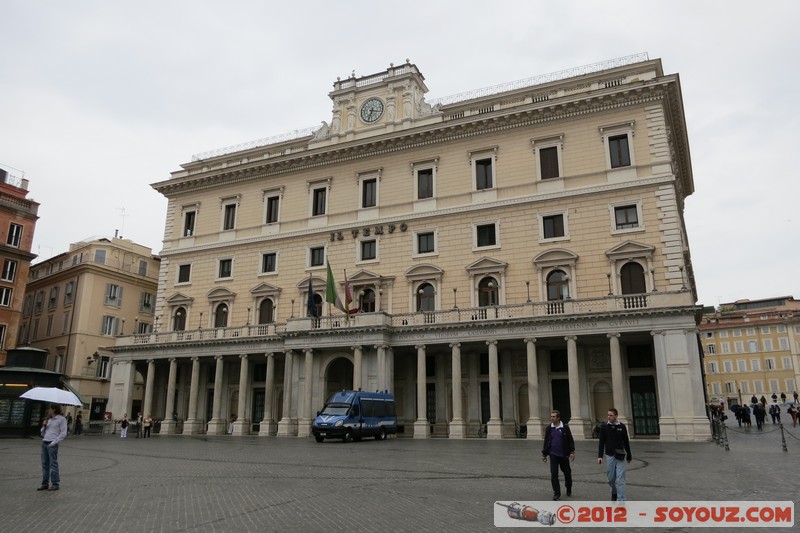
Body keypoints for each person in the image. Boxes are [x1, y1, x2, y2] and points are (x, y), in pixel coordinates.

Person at [597, 408, 632, 502]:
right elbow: (601, 442)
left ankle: (621, 500)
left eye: (611, 415)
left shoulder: (622, 427)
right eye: (608, 415)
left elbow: (626, 442)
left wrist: (629, 454)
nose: (609, 417)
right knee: (611, 478)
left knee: (621, 479)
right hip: (610, 455)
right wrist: (600, 456)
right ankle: (614, 492)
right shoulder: (604, 427)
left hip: (620, 455)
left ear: (616, 416)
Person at [541, 410, 575, 501]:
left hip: (563, 455)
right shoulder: (549, 428)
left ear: (558, 418)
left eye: (554, 416)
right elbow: (546, 441)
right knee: (554, 475)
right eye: (551, 416)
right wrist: (544, 454)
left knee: (567, 473)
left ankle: (568, 487)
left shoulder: (565, 427)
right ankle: (557, 493)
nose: (552, 418)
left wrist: (572, 452)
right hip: (553, 455)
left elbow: (570, 440)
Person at [39, 404, 68, 491]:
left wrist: (53, 443)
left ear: (54, 410)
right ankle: (45, 483)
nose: (48, 411)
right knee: (45, 464)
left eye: (50, 409)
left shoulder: (61, 419)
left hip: (52, 444)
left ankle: (55, 483)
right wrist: (44, 425)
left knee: (53, 464)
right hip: (45, 442)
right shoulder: (49, 420)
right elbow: (42, 434)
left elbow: (63, 433)